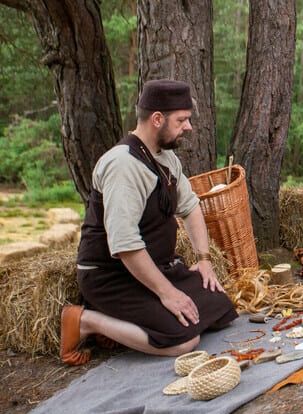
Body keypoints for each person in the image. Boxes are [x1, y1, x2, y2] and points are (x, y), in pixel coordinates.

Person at [61, 79, 237, 366]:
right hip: (112, 276)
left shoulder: (165, 157)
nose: (189, 127)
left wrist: (204, 260)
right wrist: (168, 294)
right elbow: (126, 246)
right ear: (157, 119)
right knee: (184, 340)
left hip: (152, 268)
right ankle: (87, 320)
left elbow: (191, 208)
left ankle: (128, 323)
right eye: (181, 120)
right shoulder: (122, 166)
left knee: (219, 307)